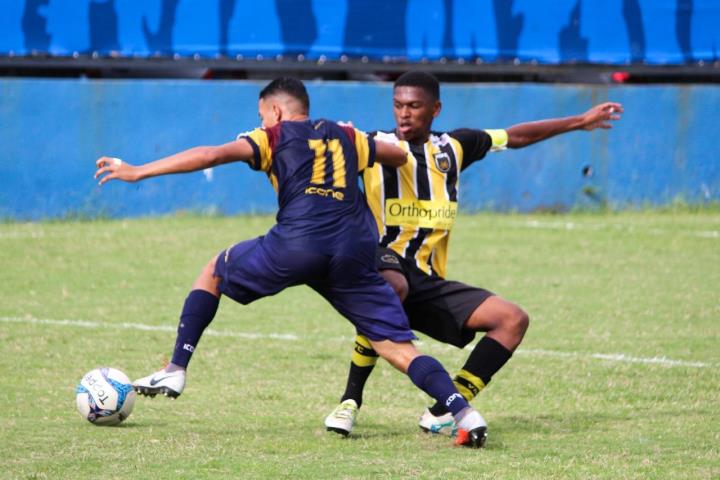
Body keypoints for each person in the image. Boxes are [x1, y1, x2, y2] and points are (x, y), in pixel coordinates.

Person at [94, 77, 489, 448]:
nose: (260, 122)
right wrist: (356, 142)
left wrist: (138, 171)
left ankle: (176, 368)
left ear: (276, 113)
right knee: (396, 347)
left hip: (299, 242)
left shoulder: (273, 135)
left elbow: (211, 154)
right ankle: (465, 414)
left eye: (262, 115)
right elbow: (396, 155)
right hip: (354, 249)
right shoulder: (346, 134)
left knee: (214, 271)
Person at [324, 71, 623, 438]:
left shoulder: (454, 147)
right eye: (398, 105)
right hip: (381, 264)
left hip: (428, 282)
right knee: (392, 284)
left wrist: (580, 121)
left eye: (414, 106)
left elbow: (516, 136)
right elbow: (329, 153)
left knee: (512, 319)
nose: (404, 114)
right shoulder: (373, 145)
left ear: (435, 109)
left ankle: (444, 410)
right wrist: (337, 138)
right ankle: (350, 401)